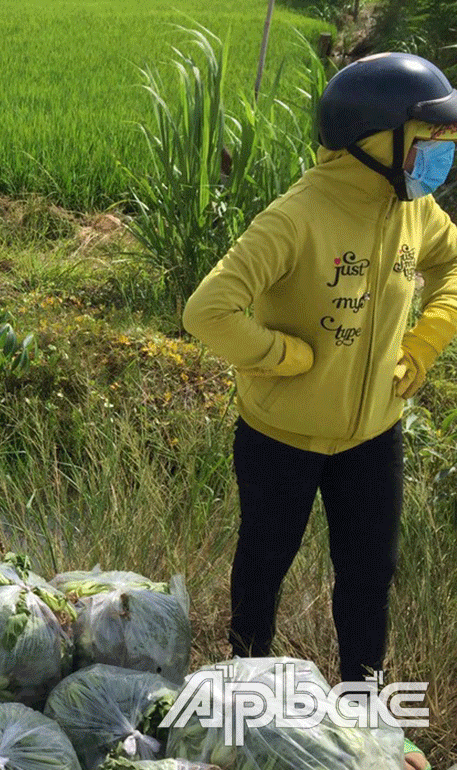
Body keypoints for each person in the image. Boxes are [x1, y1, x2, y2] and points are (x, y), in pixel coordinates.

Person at [183, 52, 456, 770]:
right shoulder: (297, 217)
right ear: (375, 138)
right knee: (264, 564)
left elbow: (453, 265)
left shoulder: (412, 207)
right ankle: (247, 711)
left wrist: (425, 341)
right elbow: (208, 310)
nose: (441, 154)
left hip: (374, 434)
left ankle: (367, 724)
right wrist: (281, 356)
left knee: (368, 574)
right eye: (429, 138)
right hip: (280, 436)